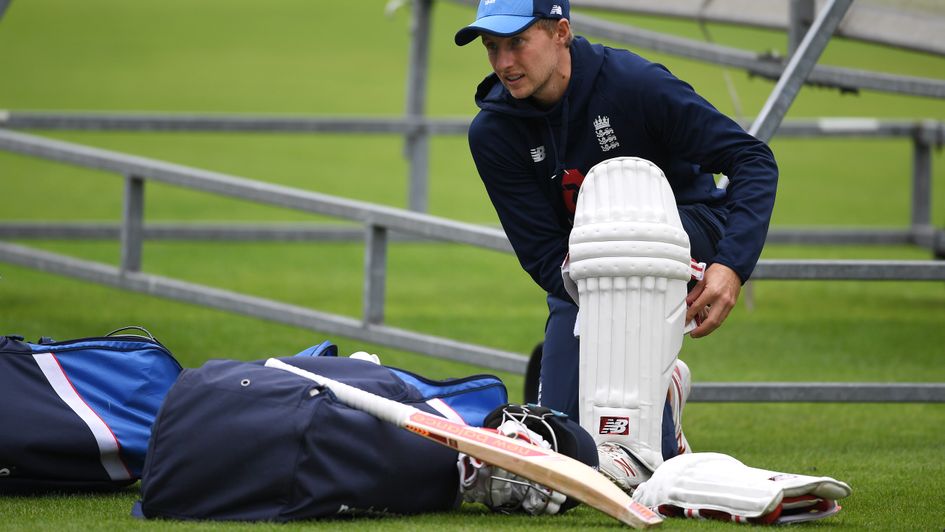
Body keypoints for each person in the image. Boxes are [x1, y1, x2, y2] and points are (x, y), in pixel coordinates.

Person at [454, 0, 778, 488]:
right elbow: (544, 254)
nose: (503, 63)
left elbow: (751, 158)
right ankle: (662, 390)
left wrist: (732, 265)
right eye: (492, 47)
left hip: (688, 231)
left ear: (561, 32)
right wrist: (599, 305)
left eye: (517, 42)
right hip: (588, 266)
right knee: (562, 460)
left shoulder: (634, 84)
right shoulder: (493, 133)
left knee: (625, 235)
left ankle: (649, 373)